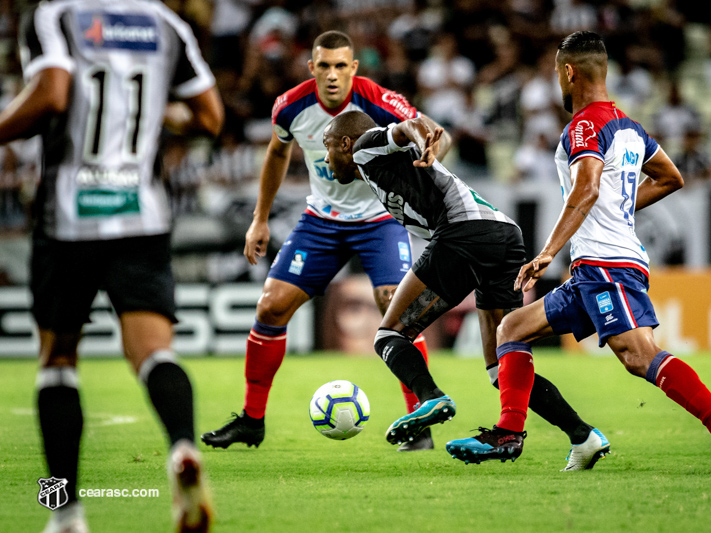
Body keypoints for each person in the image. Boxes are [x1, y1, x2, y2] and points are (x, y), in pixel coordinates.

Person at [447, 31, 711, 473]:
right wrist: (616, 206)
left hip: (607, 264)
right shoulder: (629, 127)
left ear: (568, 72)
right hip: (596, 266)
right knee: (512, 328)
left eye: (558, 72)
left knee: (639, 356)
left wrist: (547, 252)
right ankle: (509, 434)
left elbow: (587, 187)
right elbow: (671, 177)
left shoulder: (585, 126)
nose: (557, 79)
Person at [4, 1, 224, 532]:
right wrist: (153, 115)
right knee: (153, 352)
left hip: (69, 216)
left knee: (57, 361)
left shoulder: (55, 15)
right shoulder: (165, 22)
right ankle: (180, 451)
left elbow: (53, 92)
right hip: (142, 213)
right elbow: (210, 117)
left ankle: (64, 513)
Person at [201, 31, 445, 452]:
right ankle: (252, 420)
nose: (332, 75)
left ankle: (418, 422)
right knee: (271, 306)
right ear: (311, 68)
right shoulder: (291, 106)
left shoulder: (379, 101)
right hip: (323, 220)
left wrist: (428, 153)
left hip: (379, 218)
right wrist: (260, 219)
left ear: (354, 68)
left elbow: (430, 130)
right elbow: (276, 154)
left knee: (395, 303)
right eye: (324, 66)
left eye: (340, 66)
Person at [323, 110, 610, 469]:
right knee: (502, 364)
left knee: (389, 334)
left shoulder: (366, 147)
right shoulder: (381, 167)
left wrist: (422, 133)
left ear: (346, 143)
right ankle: (583, 436)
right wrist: (424, 138)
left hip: (464, 232)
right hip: (505, 237)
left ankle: (431, 398)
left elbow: (405, 128)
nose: (325, 157)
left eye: (328, 146)